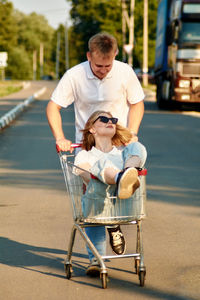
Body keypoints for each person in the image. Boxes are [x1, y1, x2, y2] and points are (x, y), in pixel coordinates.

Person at [46, 32, 145, 275]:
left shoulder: (124, 72)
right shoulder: (75, 76)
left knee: (138, 149)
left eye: (108, 65)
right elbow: (53, 106)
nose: (103, 70)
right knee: (94, 196)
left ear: (115, 56)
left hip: (119, 144)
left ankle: (126, 175)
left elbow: (137, 103)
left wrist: (132, 132)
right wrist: (60, 137)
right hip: (89, 147)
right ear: (89, 56)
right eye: (98, 65)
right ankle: (95, 258)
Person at [74, 110, 147, 276]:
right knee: (99, 166)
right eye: (104, 119)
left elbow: (135, 150)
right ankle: (121, 178)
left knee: (137, 146)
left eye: (113, 119)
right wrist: (106, 173)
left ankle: (127, 173)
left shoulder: (123, 153)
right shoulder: (84, 155)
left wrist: (129, 163)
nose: (111, 122)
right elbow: (88, 178)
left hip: (124, 203)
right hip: (99, 202)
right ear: (92, 129)